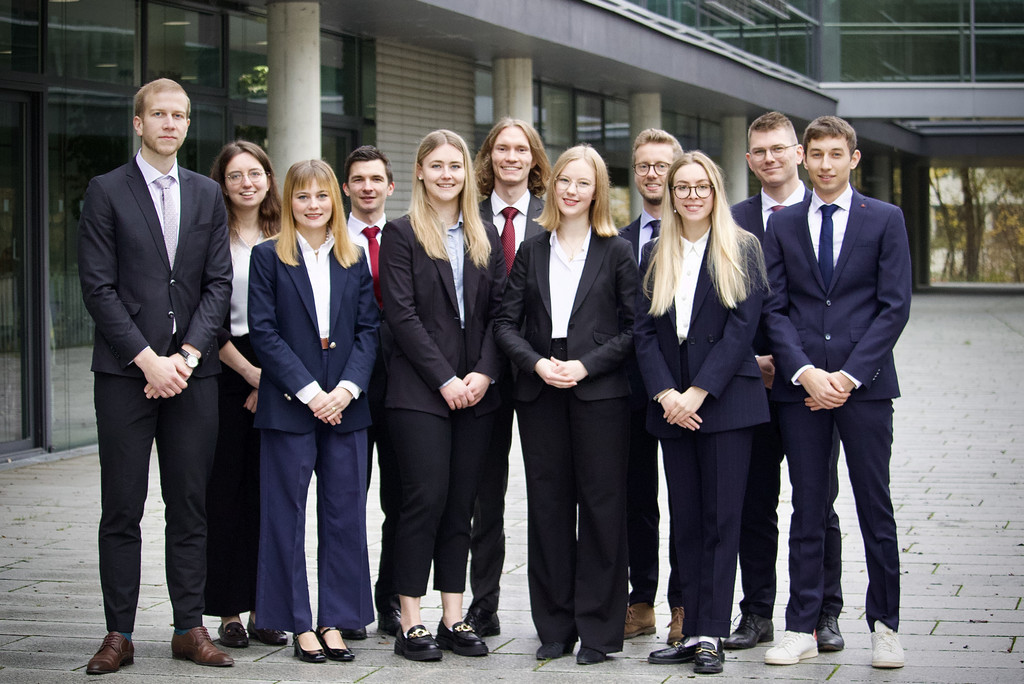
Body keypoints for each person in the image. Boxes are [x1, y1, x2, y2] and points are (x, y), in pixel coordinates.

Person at [78, 78, 234, 674]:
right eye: (159, 114)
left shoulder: (206, 194)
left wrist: (188, 357)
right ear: (138, 123)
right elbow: (98, 286)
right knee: (121, 505)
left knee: (190, 504)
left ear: (188, 126)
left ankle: (188, 628)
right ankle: (118, 632)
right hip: (125, 375)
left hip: (193, 376)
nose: (171, 123)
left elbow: (217, 283)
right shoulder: (105, 191)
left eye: (180, 115)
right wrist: (148, 359)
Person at [761, 116, 910, 669]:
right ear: (804, 158)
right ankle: (800, 625)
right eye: (816, 154)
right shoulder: (783, 224)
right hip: (803, 391)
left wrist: (847, 377)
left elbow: (894, 307)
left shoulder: (886, 220)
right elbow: (775, 308)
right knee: (808, 506)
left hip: (865, 389)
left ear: (853, 158)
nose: (824, 164)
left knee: (875, 506)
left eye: (835, 154)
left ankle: (886, 625)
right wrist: (805, 373)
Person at [494, 144, 638, 665]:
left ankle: (599, 631)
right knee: (549, 509)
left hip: (598, 390)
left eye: (583, 182)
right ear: (552, 187)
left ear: (598, 190)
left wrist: (586, 365)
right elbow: (505, 323)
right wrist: (535, 363)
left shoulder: (617, 250)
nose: (572, 190)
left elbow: (635, 327)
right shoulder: (533, 249)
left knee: (602, 509)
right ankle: (554, 627)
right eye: (564, 181)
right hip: (540, 390)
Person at [636, 152, 768, 674]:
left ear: (715, 190)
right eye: (682, 187)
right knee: (686, 520)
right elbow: (642, 332)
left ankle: (711, 632)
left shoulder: (745, 248)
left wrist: (698, 392)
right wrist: (667, 394)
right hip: (672, 407)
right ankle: (689, 632)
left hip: (726, 402)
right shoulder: (652, 251)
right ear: (670, 195)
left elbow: (742, 330)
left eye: (701, 186)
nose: (692, 195)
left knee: (721, 520)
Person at [379, 129, 505, 662]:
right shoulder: (401, 233)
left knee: (461, 505)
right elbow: (402, 317)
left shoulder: (485, 237)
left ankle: (455, 617)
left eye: (456, 165)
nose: (448, 174)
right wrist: (445, 379)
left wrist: (483, 374)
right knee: (423, 500)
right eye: (437, 165)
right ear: (420, 172)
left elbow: (503, 314)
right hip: (419, 394)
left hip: (477, 392)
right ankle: (411, 621)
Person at [247, 159, 378, 664]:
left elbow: (370, 330)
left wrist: (345, 389)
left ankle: (336, 620)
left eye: (322, 196)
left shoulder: (354, 256)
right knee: (285, 515)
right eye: (302, 197)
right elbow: (263, 331)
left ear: (335, 201)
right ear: (289, 203)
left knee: (345, 515)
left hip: (346, 405)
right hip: (288, 404)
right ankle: (298, 624)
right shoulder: (267, 257)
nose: (314, 205)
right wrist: (307, 390)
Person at [725, 112, 845, 653]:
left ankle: (823, 611)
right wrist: (753, 359)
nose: (770, 158)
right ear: (749, 160)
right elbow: (720, 301)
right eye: (759, 152)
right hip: (749, 384)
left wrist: (801, 366)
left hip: (810, 385)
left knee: (817, 501)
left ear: (799, 153)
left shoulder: (824, 213)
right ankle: (756, 614)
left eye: (779, 149)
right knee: (754, 501)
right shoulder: (732, 219)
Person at [466, 117, 551, 638]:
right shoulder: (470, 219)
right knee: (484, 496)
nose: (512, 157)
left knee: (549, 493)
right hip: (487, 374)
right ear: (490, 157)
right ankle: (483, 604)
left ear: (535, 159)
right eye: (502, 149)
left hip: (545, 372)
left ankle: (553, 606)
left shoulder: (557, 214)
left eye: (521, 149)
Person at [204, 141, 287, 649]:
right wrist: (250, 375)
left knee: (269, 494)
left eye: (254, 173)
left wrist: (271, 378)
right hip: (225, 366)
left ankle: (266, 607)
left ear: (268, 178)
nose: (246, 183)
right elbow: (207, 314)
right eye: (235, 176)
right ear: (223, 183)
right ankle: (229, 612)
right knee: (225, 492)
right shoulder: (211, 237)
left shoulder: (287, 234)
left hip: (280, 368)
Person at [618, 128, 685, 643]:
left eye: (662, 165)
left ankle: (683, 605)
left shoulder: (700, 237)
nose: (652, 174)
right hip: (631, 393)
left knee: (687, 500)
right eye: (643, 165)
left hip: (687, 394)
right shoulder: (617, 239)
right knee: (635, 501)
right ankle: (640, 603)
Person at [340, 144, 401, 639]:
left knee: (400, 501)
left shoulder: (403, 238)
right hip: (347, 385)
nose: (367, 187)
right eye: (358, 179)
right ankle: (350, 603)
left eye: (375, 179)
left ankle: (392, 601)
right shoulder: (331, 238)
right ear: (346, 187)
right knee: (348, 499)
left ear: (390, 186)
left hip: (402, 385)